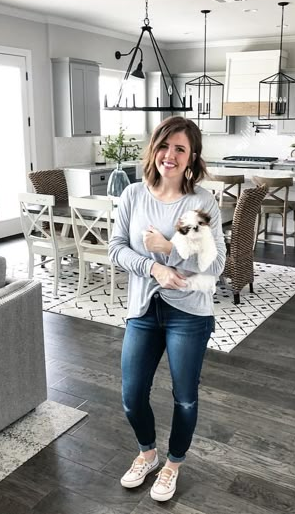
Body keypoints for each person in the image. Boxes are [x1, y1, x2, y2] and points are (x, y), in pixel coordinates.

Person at [108, 115, 226, 502]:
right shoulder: (134, 195)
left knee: (185, 396)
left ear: (191, 157)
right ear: (154, 148)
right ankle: (147, 454)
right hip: (143, 309)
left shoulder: (199, 202)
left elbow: (216, 263)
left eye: (180, 149)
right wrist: (154, 266)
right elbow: (117, 248)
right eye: (164, 145)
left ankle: (173, 464)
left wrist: (171, 248)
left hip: (189, 312)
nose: (169, 156)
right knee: (131, 395)